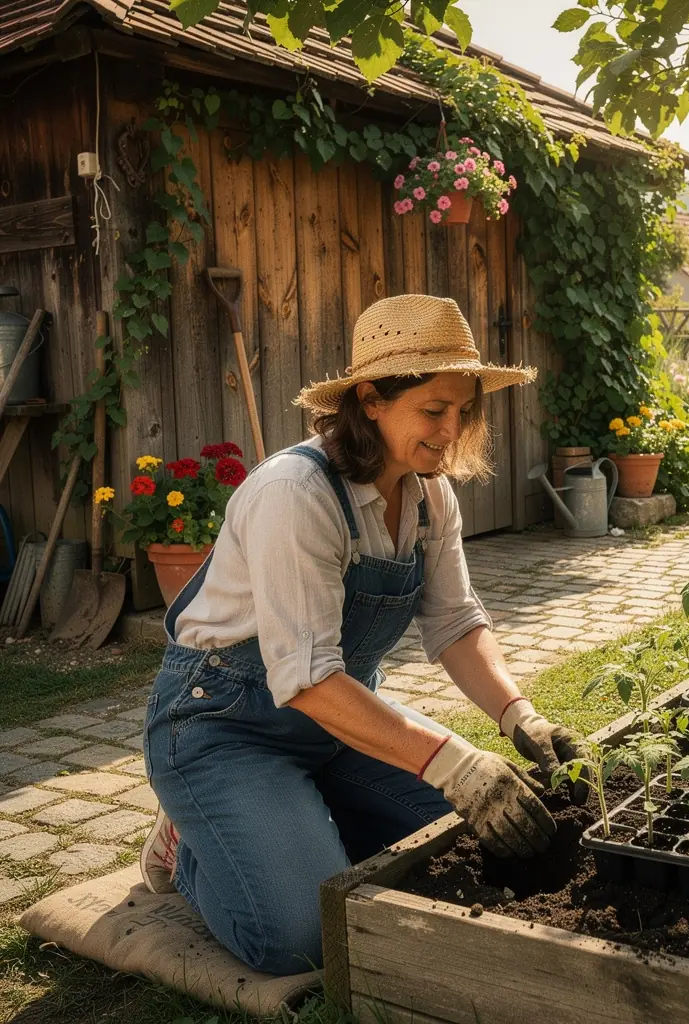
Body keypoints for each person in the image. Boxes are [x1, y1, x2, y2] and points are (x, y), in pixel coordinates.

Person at [140, 294, 585, 976]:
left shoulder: (430, 494)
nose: (450, 430)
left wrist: (520, 716)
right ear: (371, 399)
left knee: (469, 839)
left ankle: (286, 825)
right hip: (223, 730)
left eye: (462, 410)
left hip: (340, 728)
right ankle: (190, 842)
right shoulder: (296, 495)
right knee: (303, 936)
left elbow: (456, 624)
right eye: (434, 410)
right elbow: (308, 678)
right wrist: (453, 762)